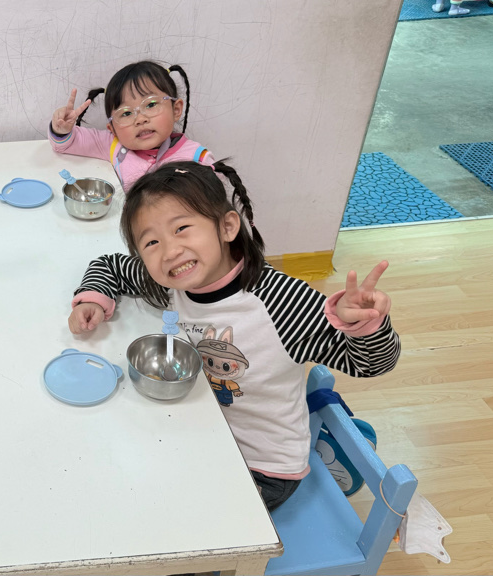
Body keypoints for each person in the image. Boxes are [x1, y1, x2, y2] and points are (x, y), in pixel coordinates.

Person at [67, 161, 400, 510]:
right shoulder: (170, 282)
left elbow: (371, 364)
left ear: (227, 226)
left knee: (168, 509)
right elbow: (110, 266)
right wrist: (93, 298)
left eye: (182, 228)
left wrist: (365, 324)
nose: (170, 251)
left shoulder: (281, 303)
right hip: (203, 430)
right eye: (151, 242)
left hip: (262, 468)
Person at [48, 61, 216, 191]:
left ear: (176, 109)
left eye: (151, 104)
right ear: (113, 129)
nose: (140, 119)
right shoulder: (113, 144)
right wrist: (62, 130)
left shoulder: (198, 159)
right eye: (126, 113)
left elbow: (213, 207)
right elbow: (67, 144)